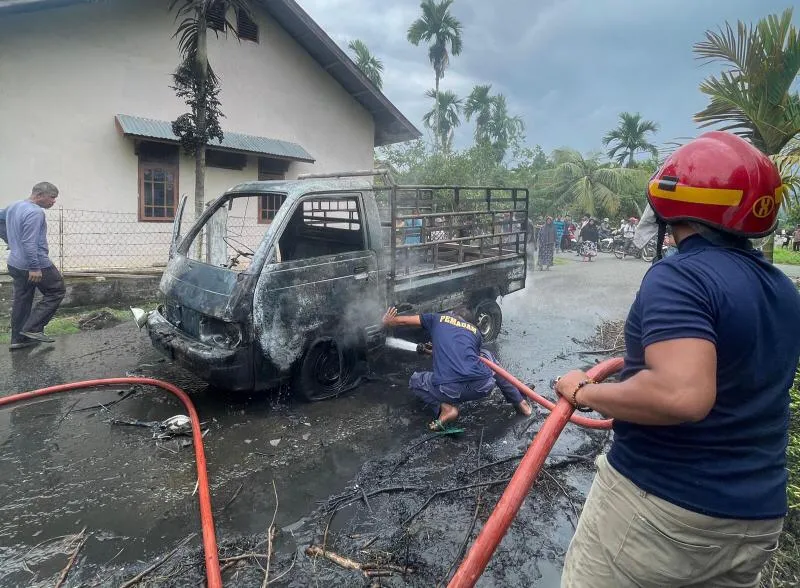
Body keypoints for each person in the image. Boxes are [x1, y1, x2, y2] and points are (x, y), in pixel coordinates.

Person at [555, 131, 800, 588]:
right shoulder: (781, 289)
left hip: (664, 513)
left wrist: (584, 391)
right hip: (755, 519)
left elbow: (681, 394)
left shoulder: (680, 275)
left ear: (675, 206)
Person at [382, 305, 531, 430]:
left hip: (448, 390)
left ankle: (446, 409)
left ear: (452, 314)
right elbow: (466, 358)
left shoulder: (437, 318)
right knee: (487, 357)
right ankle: (520, 402)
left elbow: (405, 322)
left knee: (415, 380)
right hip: (482, 387)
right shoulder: (475, 332)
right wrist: (436, 351)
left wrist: (389, 320)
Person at [6, 182, 66, 350]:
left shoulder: (14, 206)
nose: (54, 201)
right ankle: (33, 328)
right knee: (56, 290)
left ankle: (18, 339)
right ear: (39, 195)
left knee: (22, 300)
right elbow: (29, 242)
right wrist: (34, 267)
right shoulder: (35, 212)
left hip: (15, 263)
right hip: (34, 263)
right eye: (52, 198)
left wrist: (10, 239)